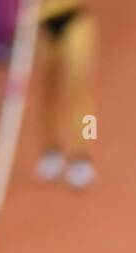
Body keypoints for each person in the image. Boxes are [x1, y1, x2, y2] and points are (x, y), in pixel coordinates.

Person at [34, 1, 98, 188]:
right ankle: (51, 151)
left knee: (79, 92)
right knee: (48, 93)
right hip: (46, 28)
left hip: (75, 23)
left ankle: (83, 157)